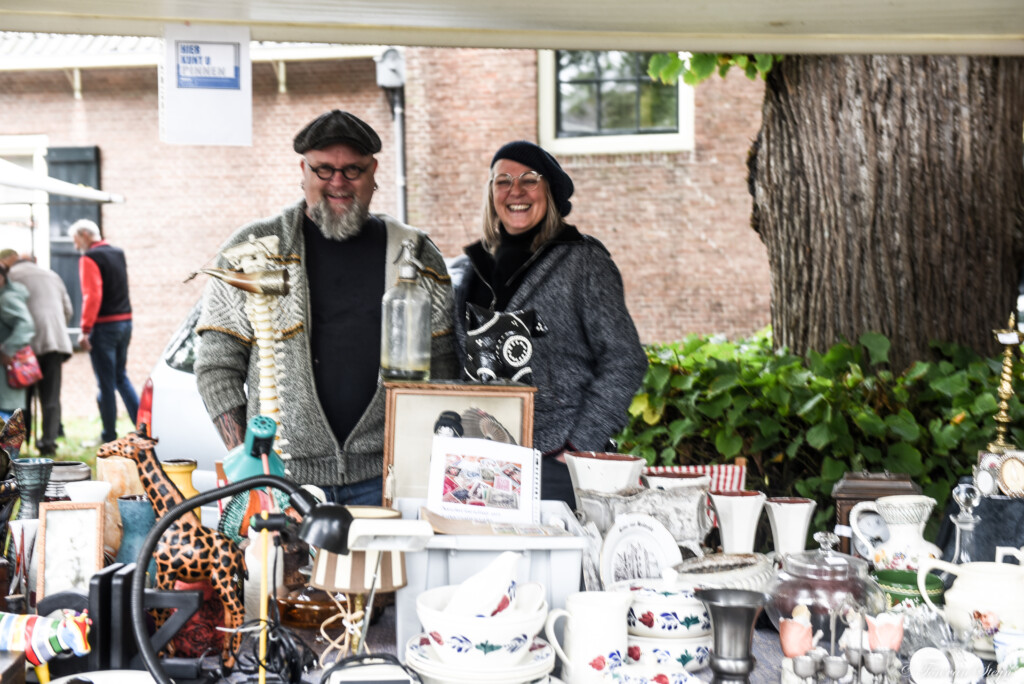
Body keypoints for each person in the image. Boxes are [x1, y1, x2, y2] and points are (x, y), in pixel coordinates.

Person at [195, 110, 457, 505]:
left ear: (373, 172)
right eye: (324, 170)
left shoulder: (414, 254)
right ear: (303, 170)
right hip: (284, 480)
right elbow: (216, 367)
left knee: (383, 571)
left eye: (352, 170)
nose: (338, 182)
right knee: (283, 571)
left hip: (389, 479)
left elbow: (443, 367)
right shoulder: (252, 250)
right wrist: (248, 459)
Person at [451, 140, 648, 509]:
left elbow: (625, 359)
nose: (516, 191)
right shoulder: (468, 271)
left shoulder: (584, 262)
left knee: (551, 566)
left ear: (550, 192)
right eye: (502, 181)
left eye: (529, 179)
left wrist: (578, 446)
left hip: (557, 461)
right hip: (478, 463)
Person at [70, 219, 140, 444]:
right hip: (125, 323)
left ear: (84, 235)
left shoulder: (89, 257)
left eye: (75, 240)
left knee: (106, 384)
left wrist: (85, 330)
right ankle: (144, 429)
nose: (74, 246)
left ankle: (109, 436)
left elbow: (93, 295)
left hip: (104, 327)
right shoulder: (117, 253)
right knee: (121, 377)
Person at [0, 249, 73, 455]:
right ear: (34, 260)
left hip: (23, 347)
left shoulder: (11, 277)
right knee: (50, 397)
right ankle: (48, 443)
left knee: (21, 396)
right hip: (53, 342)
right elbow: (68, 310)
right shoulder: (53, 276)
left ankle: (21, 444)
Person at [0, 263, 36, 422]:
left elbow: (26, 325)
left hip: (6, 368)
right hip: (8, 369)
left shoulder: (7, 299)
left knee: (7, 415)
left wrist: (8, 349)